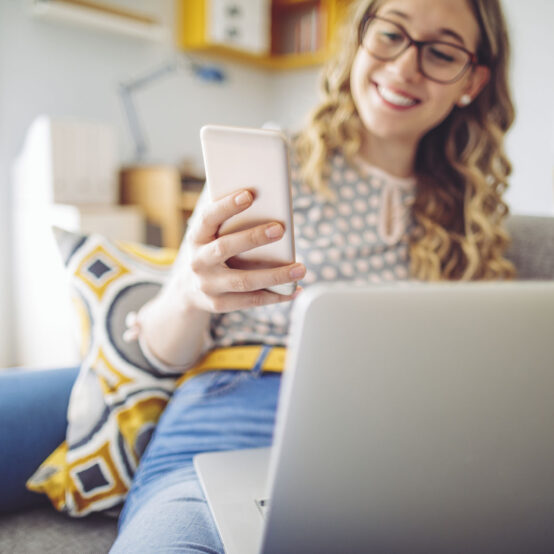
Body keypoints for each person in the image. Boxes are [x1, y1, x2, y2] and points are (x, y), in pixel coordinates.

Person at [0, 0, 515, 551]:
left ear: (473, 80)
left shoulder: (474, 222)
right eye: (391, 33)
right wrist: (191, 295)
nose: (406, 65)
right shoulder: (267, 164)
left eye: (440, 52)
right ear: (359, 40)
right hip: (234, 401)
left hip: (378, 438)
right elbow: (157, 352)